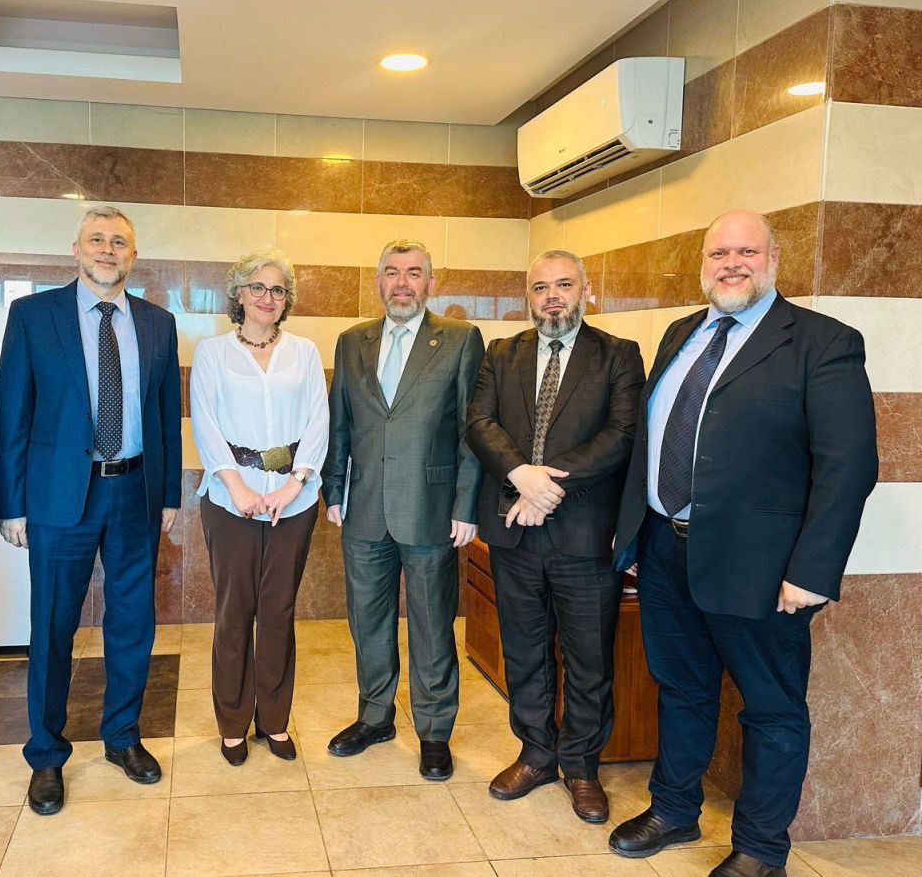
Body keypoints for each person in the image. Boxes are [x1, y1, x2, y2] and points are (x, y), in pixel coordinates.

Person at [607, 210, 878, 877]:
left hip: (763, 568)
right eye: (719, 253)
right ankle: (674, 810)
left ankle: (761, 849)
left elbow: (848, 466)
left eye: (746, 252)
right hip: (665, 550)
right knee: (681, 687)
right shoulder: (682, 334)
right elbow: (652, 440)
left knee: (772, 708)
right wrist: (634, 532)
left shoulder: (822, 341)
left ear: (774, 258)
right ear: (704, 263)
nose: (732, 263)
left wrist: (812, 570)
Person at [0, 205, 181, 815]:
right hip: (57, 496)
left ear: (134, 255)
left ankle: (122, 736)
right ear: (75, 250)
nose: (107, 250)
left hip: (135, 492)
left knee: (133, 621)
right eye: (96, 240)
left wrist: (170, 495)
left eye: (119, 242)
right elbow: (12, 414)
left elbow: (165, 417)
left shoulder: (158, 322)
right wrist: (12, 504)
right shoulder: (33, 315)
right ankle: (46, 754)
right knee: (53, 624)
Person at [466, 249, 644, 823]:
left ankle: (581, 766)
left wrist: (544, 485)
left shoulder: (617, 354)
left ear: (586, 291)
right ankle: (536, 754)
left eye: (564, 285)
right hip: (514, 532)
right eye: (540, 287)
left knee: (588, 658)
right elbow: (479, 423)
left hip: (585, 538)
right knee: (524, 651)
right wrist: (521, 475)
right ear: (528, 295)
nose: (552, 297)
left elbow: (622, 435)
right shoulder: (502, 353)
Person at [321, 238, 484, 780]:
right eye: (391, 272)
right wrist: (334, 489)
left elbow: (471, 429)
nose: (402, 283)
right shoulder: (352, 342)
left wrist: (466, 504)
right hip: (364, 506)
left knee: (433, 625)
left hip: (431, 508)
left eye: (414, 273)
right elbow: (340, 420)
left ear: (430, 283)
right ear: (378, 282)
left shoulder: (459, 339)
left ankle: (434, 731)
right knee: (367, 621)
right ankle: (375, 717)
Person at [190, 249, 328, 765]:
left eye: (277, 290)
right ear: (239, 294)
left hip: (294, 499)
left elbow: (318, 421)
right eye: (258, 287)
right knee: (234, 612)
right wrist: (238, 488)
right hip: (231, 501)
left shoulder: (304, 352)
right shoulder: (213, 353)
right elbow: (205, 422)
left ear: (286, 300)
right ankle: (232, 722)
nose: (268, 297)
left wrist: (294, 485)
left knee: (278, 611)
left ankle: (273, 719)